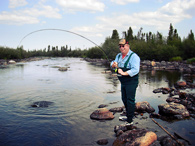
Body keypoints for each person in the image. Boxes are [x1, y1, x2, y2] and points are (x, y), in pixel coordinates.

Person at [111, 39, 140, 125]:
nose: (121, 48)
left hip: (131, 82)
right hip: (123, 82)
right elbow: (113, 62)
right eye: (120, 46)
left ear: (127, 46)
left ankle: (130, 120)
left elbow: (135, 70)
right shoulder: (119, 56)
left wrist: (124, 73)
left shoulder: (134, 57)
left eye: (123, 46)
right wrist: (113, 65)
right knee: (124, 99)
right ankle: (128, 115)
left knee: (130, 100)